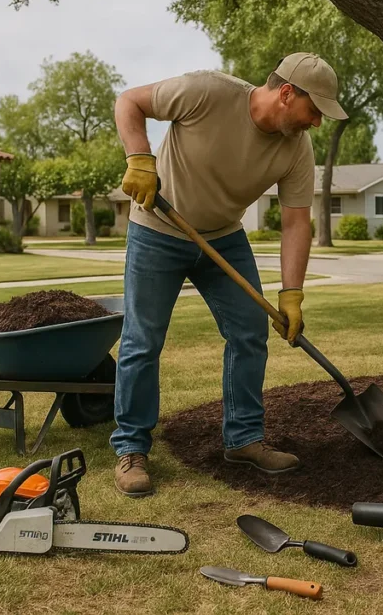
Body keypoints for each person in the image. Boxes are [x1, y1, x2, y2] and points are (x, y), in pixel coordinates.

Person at [110, 53, 348, 498]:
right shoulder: (207, 92)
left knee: (249, 331)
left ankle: (243, 439)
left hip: (222, 237)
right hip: (158, 228)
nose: (316, 123)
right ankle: (131, 449)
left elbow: (297, 221)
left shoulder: (296, 148)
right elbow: (129, 101)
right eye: (314, 111)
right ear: (286, 93)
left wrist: (292, 294)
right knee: (143, 340)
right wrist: (139, 158)